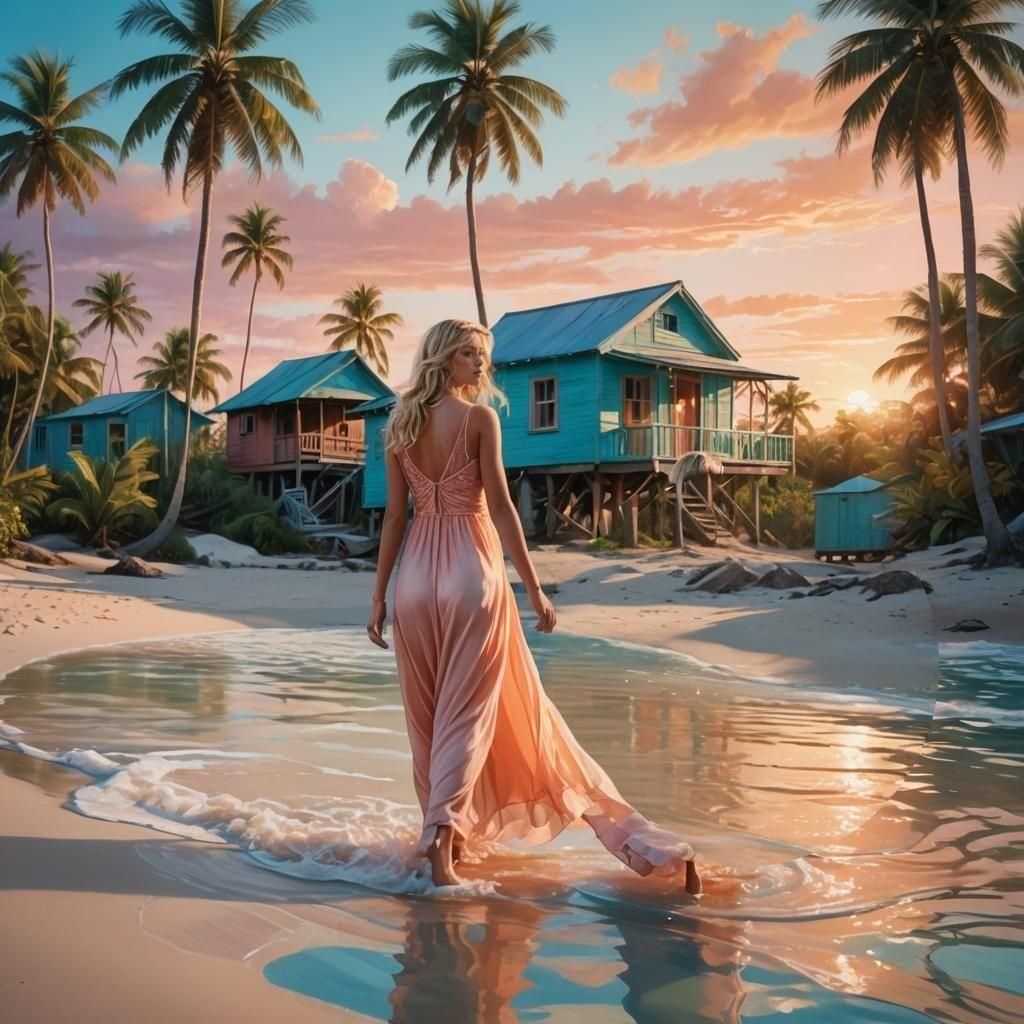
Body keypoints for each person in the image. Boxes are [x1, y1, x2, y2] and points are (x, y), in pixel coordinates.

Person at [367, 319, 701, 895]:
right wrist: (534, 587)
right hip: (472, 573)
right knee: (467, 715)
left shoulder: (401, 425)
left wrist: (378, 596)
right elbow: (499, 506)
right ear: (445, 359)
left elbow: (395, 518)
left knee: (428, 717)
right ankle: (443, 835)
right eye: (470, 353)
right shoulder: (478, 419)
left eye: (482, 354)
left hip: (415, 579)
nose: (480, 364)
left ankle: (442, 836)